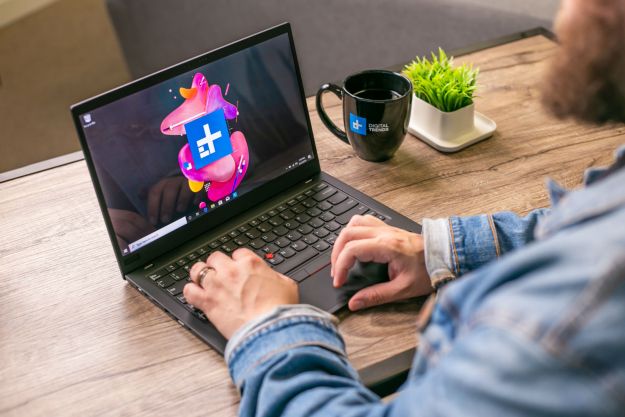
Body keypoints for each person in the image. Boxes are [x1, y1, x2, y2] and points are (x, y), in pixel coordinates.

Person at [183, 0, 625, 415]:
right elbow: (583, 225)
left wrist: (265, 326)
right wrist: (443, 249)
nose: (564, 11)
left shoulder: (561, 329)